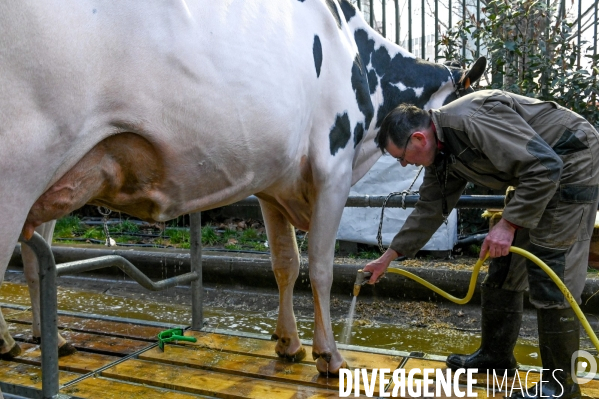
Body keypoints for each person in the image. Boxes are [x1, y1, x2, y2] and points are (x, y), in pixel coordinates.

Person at [364, 89, 599, 399]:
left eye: (401, 158)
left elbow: (544, 165)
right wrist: (389, 256)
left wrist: (509, 223)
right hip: (540, 173)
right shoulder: (441, 151)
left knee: (551, 272)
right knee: (503, 266)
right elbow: (431, 207)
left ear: (419, 139)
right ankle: (496, 357)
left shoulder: (470, 120)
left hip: (571, 161)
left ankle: (561, 386)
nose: (405, 166)